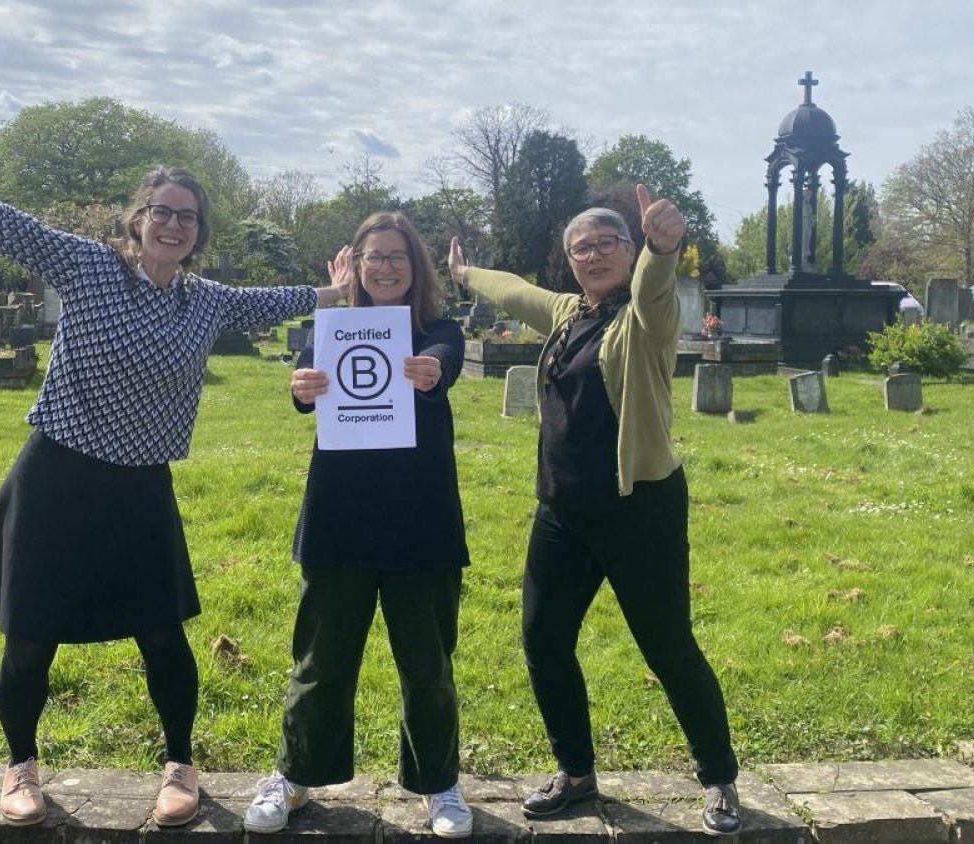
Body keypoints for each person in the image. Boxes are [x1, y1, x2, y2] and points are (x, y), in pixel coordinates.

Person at [0, 58, 346, 827]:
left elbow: (277, 298)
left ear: (198, 233)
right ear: (137, 219)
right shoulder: (84, 266)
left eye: (188, 216)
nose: (174, 224)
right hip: (56, 478)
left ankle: (180, 765)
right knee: (27, 641)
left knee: (162, 636)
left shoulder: (204, 300)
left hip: (141, 487)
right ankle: (20, 769)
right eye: (163, 211)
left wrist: (339, 290)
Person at [447, 185, 743, 837]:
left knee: (667, 648)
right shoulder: (565, 314)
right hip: (563, 514)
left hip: (641, 511)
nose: (592, 254)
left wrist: (665, 249)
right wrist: (465, 272)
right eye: (581, 247)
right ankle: (576, 774)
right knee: (543, 641)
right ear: (571, 262)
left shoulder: (643, 318)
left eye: (607, 242)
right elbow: (513, 290)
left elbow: (657, 288)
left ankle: (719, 777)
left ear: (629, 248)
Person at [243, 213, 472, 838]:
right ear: (359, 263)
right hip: (340, 517)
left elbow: (442, 362)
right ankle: (294, 777)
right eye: (375, 256)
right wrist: (301, 386)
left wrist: (429, 372)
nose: (387, 267)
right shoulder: (334, 328)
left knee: (427, 663)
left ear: (415, 265)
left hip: (418, 523)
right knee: (320, 659)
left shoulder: (439, 330)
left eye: (398, 256)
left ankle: (439, 783)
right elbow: (308, 387)